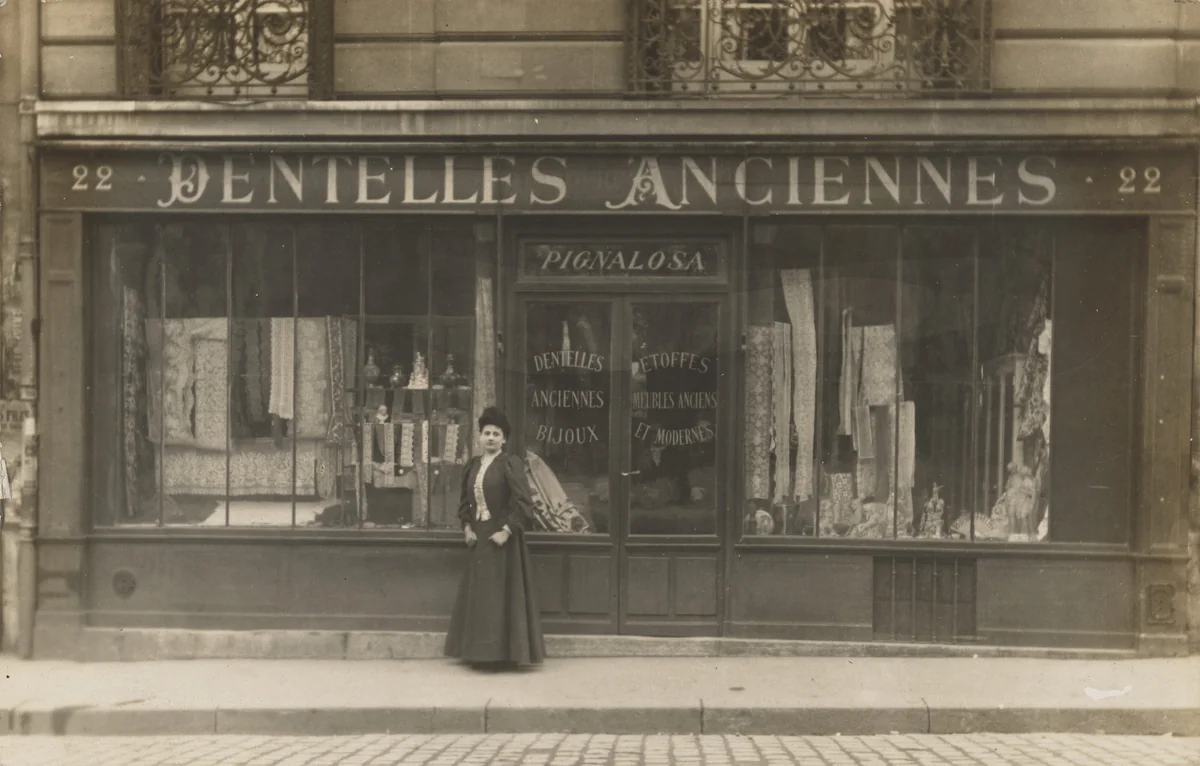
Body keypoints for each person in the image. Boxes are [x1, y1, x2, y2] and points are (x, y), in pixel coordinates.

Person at [444, 407, 545, 668]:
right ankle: (479, 654)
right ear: (479, 436)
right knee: (481, 596)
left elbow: (524, 504)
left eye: (496, 434)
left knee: (499, 596)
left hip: (502, 540)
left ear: (504, 439)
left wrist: (507, 531)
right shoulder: (473, 466)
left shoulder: (509, 464)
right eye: (486, 433)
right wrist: (467, 528)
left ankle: (501, 655)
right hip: (479, 538)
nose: (490, 437)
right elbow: (465, 502)